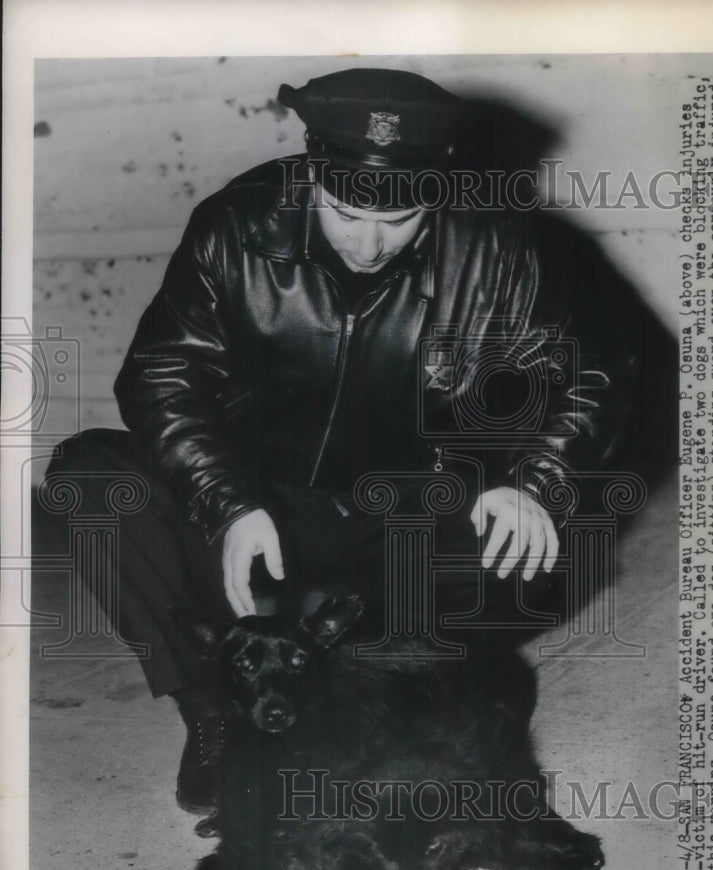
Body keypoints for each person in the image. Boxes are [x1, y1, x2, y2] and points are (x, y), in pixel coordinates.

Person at [44, 67, 659, 818]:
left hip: (397, 512)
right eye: (345, 214)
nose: (368, 243)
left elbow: (596, 369)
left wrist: (535, 478)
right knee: (93, 475)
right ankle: (212, 716)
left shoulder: (499, 248)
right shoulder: (236, 224)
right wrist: (229, 502)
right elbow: (161, 375)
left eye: (398, 221)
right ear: (310, 176)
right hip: (253, 500)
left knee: (488, 560)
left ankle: (398, 682)